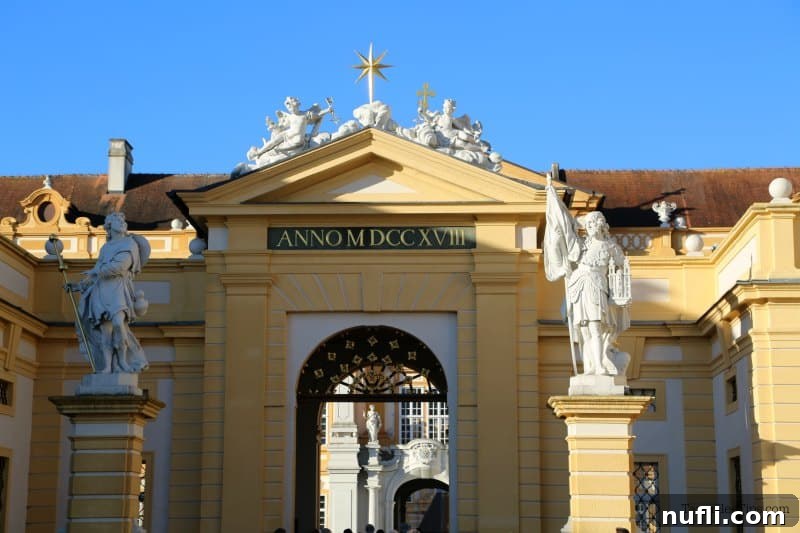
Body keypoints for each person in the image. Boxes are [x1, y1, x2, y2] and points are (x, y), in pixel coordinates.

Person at [543, 174, 631, 375]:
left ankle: (599, 364)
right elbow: (564, 236)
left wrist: (618, 293)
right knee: (582, 330)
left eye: (593, 223)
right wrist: (552, 201)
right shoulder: (582, 245)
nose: (590, 227)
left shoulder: (610, 246)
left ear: (601, 225)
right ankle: (590, 366)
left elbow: (620, 270)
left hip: (595, 284)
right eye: (588, 224)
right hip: (578, 284)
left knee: (595, 326)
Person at [70, 212, 150, 373]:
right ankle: (107, 366)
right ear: (109, 226)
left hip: (118, 289)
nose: (122, 223)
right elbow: (96, 274)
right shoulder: (106, 247)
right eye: (117, 221)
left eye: (123, 220)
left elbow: (120, 266)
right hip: (101, 290)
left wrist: (95, 272)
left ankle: (123, 362)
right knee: (105, 332)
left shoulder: (129, 244)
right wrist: (78, 286)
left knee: (118, 324)